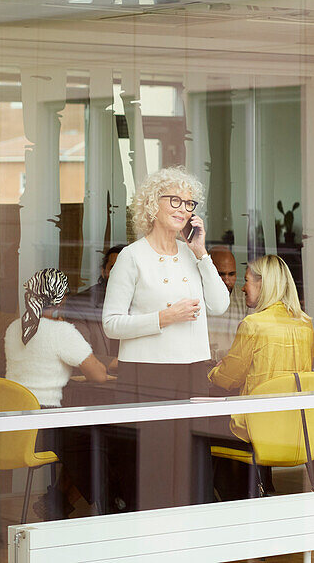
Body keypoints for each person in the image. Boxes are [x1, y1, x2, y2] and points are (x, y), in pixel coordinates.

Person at [102, 166, 230, 510]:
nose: (183, 208)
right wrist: (164, 318)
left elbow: (220, 304)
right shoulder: (132, 257)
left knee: (191, 467)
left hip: (191, 372)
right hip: (147, 374)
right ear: (150, 204)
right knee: (151, 469)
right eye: (174, 199)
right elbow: (111, 324)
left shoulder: (193, 255)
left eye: (189, 203)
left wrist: (202, 253)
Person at [4, 268, 111, 518]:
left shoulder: (13, 328)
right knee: (101, 444)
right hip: (44, 424)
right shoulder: (61, 333)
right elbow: (99, 375)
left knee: (88, 441)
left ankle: (58, 502)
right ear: (62, 299)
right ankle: (109, 509)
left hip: (13, 422)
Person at [207, 254, 314, 499]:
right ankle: (259, 488)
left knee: (200, 429)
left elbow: (227, 379)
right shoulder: (304, 323)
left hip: (256, 429)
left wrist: (212, 371)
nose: (243, 288)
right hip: (295, 427)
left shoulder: (253, 325)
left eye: (247, 281)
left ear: (263, 285)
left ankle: (223, 502)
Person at [52, 244, 125, 366]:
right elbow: (80, 354)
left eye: (126, 268)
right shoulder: (80, 303)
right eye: (113, 267)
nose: (120, 273)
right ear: (103, 272)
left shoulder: (145, 302)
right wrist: (120, 365)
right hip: (98, 379)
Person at [206, 245, 248, 357]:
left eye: (231, 274)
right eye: (221, 274)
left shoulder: (245, 299)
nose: (227, 281)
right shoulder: (196, 297)